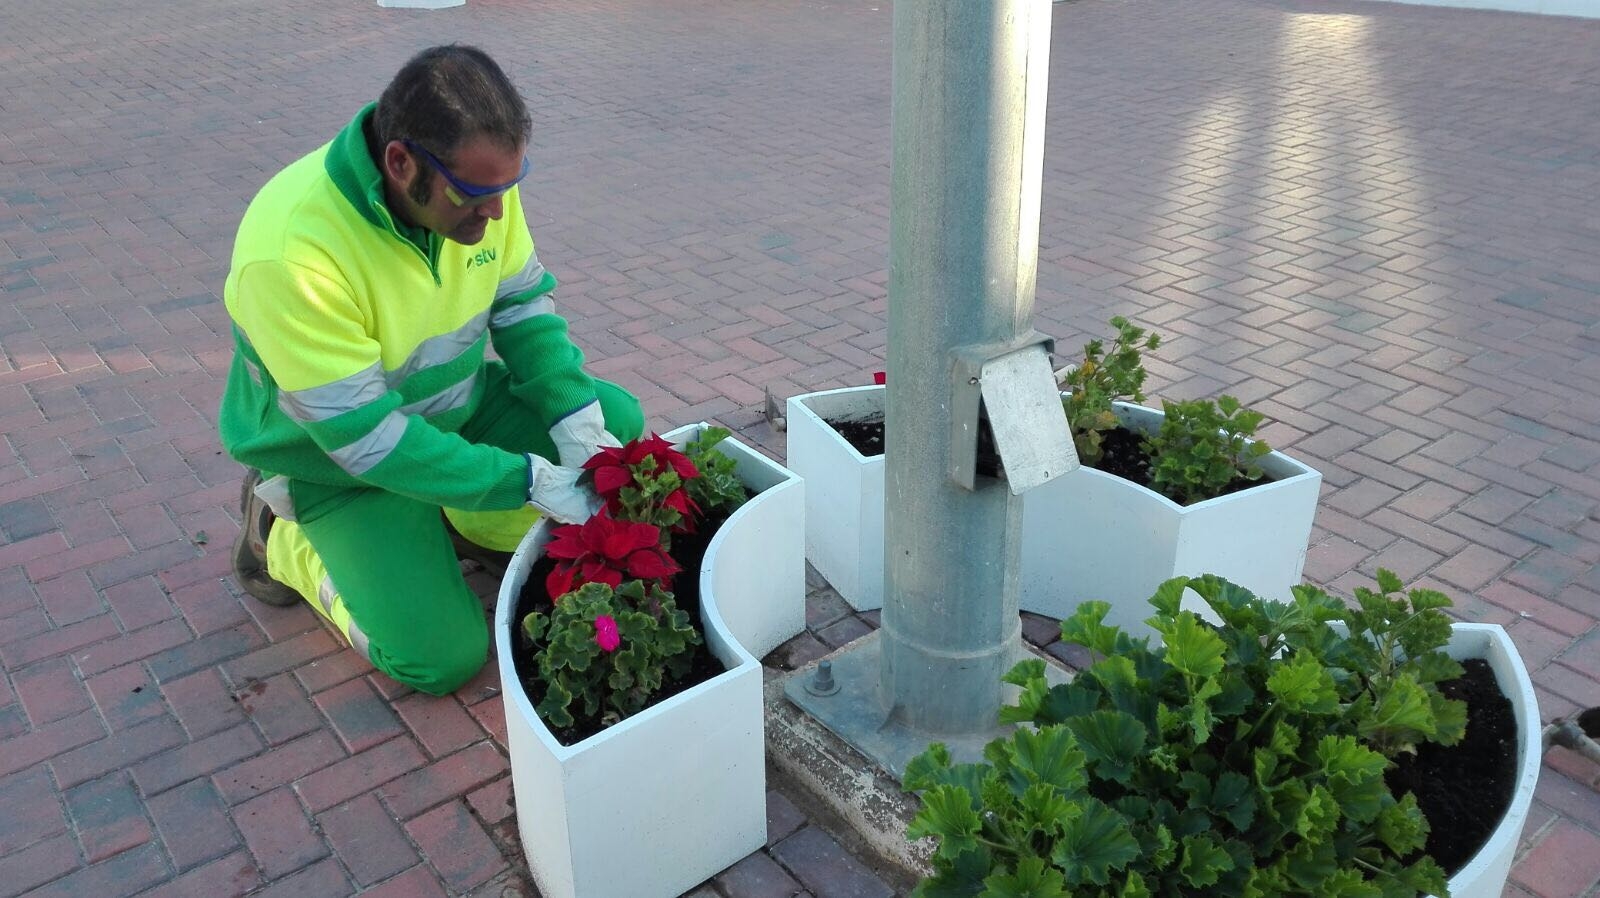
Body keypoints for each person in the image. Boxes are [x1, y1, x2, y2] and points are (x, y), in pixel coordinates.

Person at [217, 45, 642, 696]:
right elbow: (370, 443)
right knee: (440, 661)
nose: (496, 213)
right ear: (400, 164)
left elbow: (524, 309)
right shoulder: (292, 254)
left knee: (614, 421)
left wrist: (577, 426)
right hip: (338, 465)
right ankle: (281, 538)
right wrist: (520, 477)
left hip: (456, 409)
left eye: (509, 187)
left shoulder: (480, 185)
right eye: (477, 195)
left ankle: (460, 512)